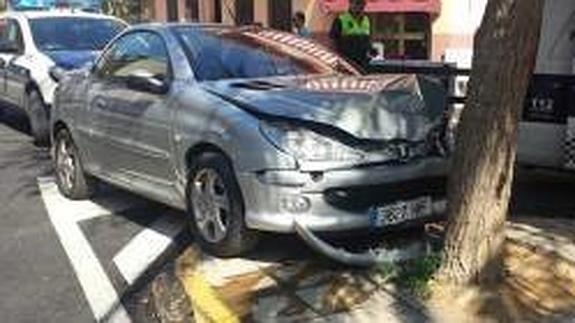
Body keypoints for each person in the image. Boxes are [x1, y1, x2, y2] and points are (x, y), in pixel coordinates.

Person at [329, 0, 372, 68]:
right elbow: (332, 41)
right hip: (347, 63)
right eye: (357, 3)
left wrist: (370, 50)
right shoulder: (340, 19)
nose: (359, 6)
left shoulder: (366, 20)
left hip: (363, 63)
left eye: (362, 4)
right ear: (350, 3)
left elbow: (367, 40)